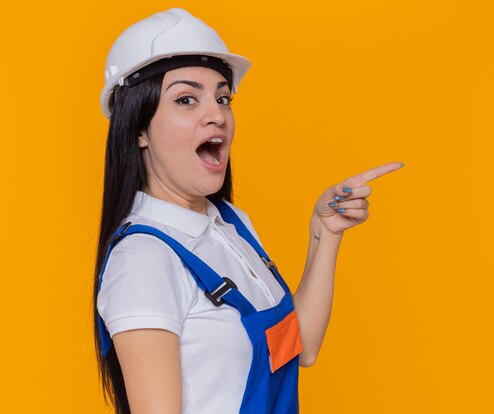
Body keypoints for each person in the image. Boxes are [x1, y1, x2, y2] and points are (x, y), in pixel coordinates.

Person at [92, 7, 403, 414]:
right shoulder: (144, 259)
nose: (217, 115)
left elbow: (299, 346)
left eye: (223, 98)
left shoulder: (230, 226)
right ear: (138, 129)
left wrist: (326, 232)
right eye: (187, 99)